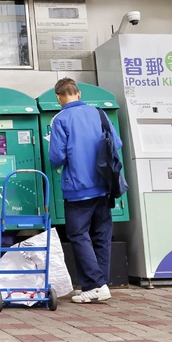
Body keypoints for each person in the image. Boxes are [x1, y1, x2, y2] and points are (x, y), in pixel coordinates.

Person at [48, 77, 121, 303]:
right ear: (78, 93)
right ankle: (100, 284)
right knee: (101, 235)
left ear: (59, 97)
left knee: (79, 235)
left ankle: (95, 285)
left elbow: (57, 158)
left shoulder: (60, 119)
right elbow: (117, 144)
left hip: (78, 188)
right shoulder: (99, 113)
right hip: (104, 185)